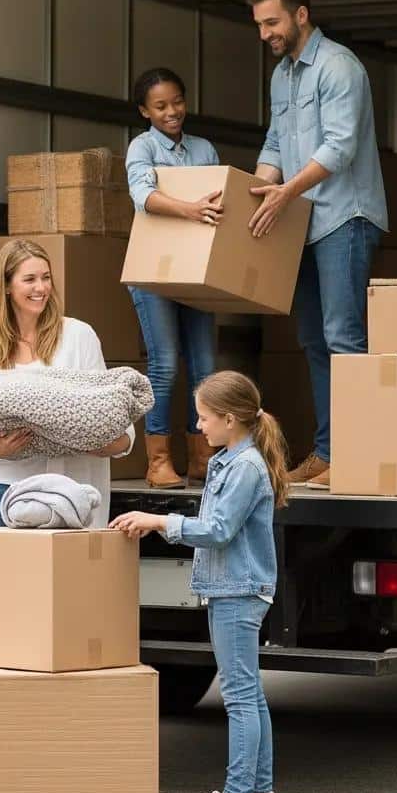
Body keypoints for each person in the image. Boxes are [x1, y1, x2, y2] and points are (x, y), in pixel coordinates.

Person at [0, 238, 134, 791]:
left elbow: (109, 415)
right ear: (7, 287)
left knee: (47, 623)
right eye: (29, 280)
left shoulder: (78, 336)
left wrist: (106, 438)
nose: (41, 288)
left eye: (46, 278)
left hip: (57, 496)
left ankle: (40, 742)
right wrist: (2, 451)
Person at [110, 370, 289, 793]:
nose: (199, 427)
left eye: (204, 418)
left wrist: (157, 522)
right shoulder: (229, 460)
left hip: (238, 591)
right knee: (249, 693)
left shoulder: (245, 467)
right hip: (233, 588)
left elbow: (218, 530)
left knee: (239, 696)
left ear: (231, 419)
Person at [246, 0, 388, 488]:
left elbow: (339, 146)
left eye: (272, 22)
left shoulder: (338, 67)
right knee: (312, 339)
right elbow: (276, 145)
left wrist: (285, 193)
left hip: (343, 216)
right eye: (259, 25)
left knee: (342, 338)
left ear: (301, 15)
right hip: (300, 221)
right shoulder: (282, 76)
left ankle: (354, 455)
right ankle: (329, 454)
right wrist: (254, 194)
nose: (265, 33)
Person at [126, 66, 223, 489]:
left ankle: (202, 456)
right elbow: (142, 196)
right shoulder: (142, 148)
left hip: (197, 271)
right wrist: (189, 209)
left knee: (204, 367)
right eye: (161, 106)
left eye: (177, 102)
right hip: (154, 273)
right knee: (164, 364)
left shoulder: (204, 148)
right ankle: (159, 461)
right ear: (144, 111)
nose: (172, 112)